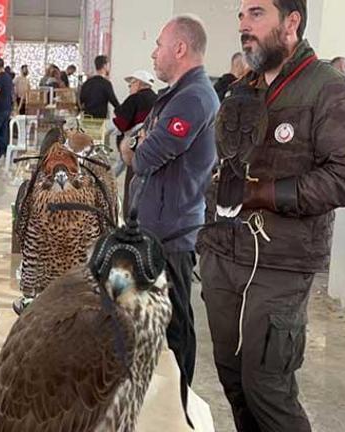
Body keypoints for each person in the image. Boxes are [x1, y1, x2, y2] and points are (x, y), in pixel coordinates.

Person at [197, 1, 345, 431]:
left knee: (267, 387)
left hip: (281, 262)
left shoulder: (330, 90)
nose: (243, 25)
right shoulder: (242, 89)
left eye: (256, 13)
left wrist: (267, 193)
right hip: (224, 255)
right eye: (240, 16)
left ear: (291, 21)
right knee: (233, 378)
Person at [119, 14, 218, 421]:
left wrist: (135, 146)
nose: (154, 53)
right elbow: (137, 139)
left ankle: (178, 411)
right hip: (154, 228)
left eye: (159, 44)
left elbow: (144, 156)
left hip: (172, 234)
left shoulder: (193, 98)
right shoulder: (175, 94)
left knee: (175, 326)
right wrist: (136, 141)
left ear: (180, 48)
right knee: (154, 323)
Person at [111, 70, 157, 213]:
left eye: (130, 85)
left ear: (138, 83)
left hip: (133, 151)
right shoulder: (158, 99)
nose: (130, 88)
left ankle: (128, 222)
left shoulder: (134, 99)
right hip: (153, 153)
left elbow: (121, 124)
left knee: (131, 188)